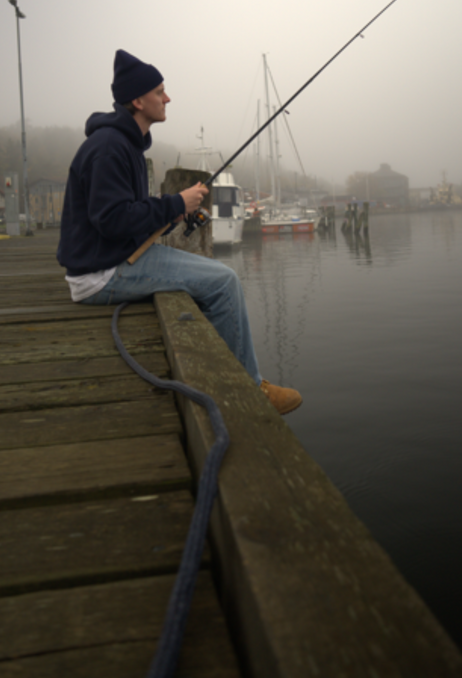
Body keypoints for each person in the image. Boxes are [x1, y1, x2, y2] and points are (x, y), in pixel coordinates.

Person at [57, 50, 302, 415]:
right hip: (101, 272)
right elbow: (110, 219)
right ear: (138, 101)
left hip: (113, 257)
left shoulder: (125, 145)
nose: (167, 98)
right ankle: (248, 391)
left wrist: (176, 208)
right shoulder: (109, 148)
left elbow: (127, 217)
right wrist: (175, 204)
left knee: (214, 281)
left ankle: (226, 378)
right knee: (224, 282)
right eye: (159, 91)